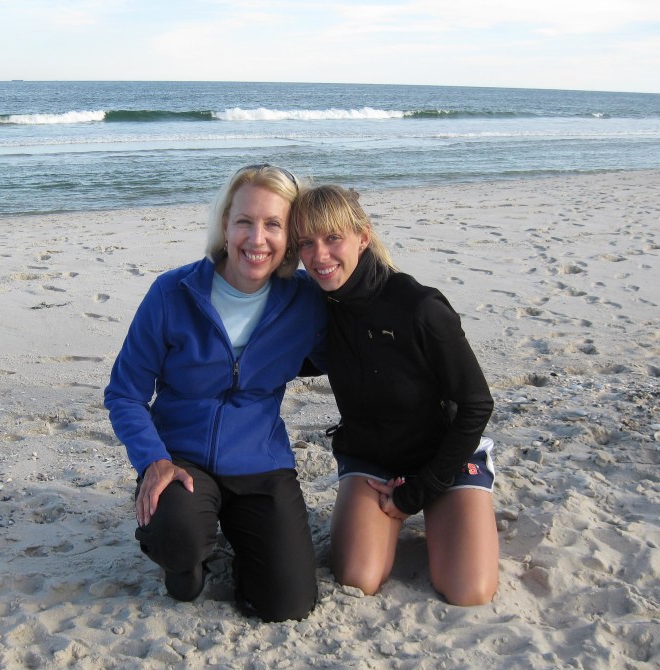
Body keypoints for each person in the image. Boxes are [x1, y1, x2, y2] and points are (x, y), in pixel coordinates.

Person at [104, 165, 327, 622]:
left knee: (287, 604)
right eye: (245, 221)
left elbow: (367, 329)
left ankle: (245, 541)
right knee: (178, 539)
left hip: (261, 462)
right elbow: (124, 394)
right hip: (182, 461)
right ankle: (188, 558)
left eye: (273, 225)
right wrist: (153, 459)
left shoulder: (306, 301)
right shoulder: (172, 293)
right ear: (225, 225)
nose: (256, 239)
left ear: (290, 238)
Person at [290, 185, 498, 606]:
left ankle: (459, 505)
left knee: (468, 590)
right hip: (372, 458)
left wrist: (417, 493)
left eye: (333, 238)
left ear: (363, 236)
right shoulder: (317, 308)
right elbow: (289, 358)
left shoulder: (419, 307)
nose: (319, 255)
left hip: (444, 456)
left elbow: (477, 405)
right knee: (359, 578)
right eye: (306, 244)